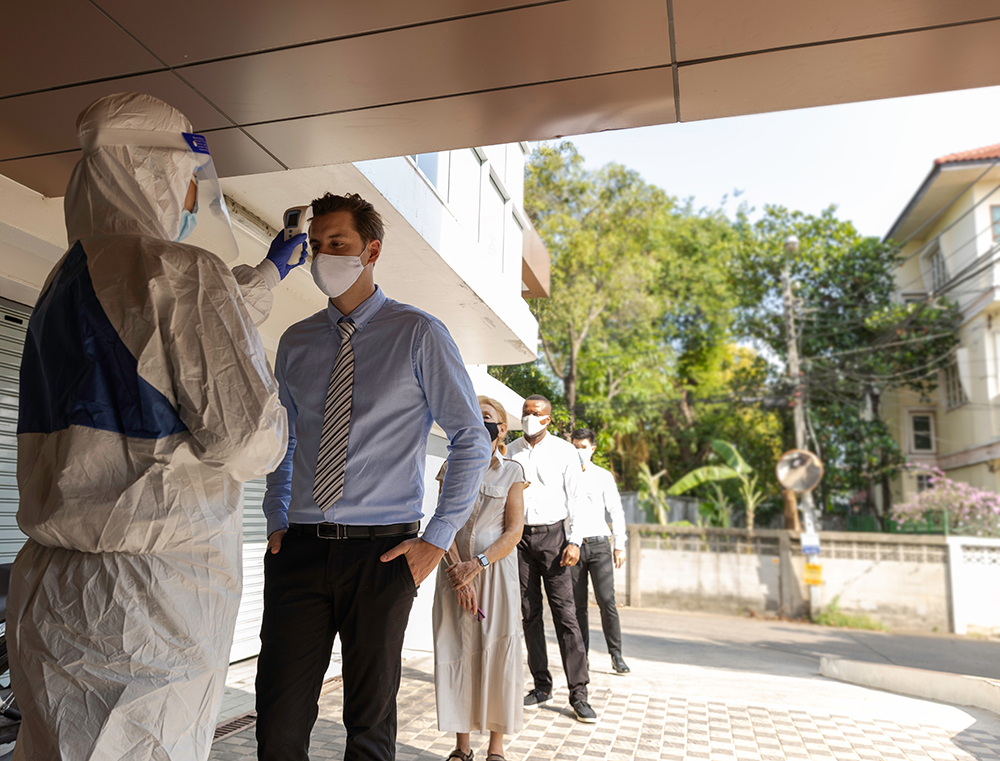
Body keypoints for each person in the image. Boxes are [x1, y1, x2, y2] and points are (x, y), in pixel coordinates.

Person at [9, 92, 302, 761]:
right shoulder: (181, 271)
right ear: (153, 173)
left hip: (54, 595)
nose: (188, 199)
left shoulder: (65, 282)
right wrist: (280, 404)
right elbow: (248, 437)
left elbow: (176, 330)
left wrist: (269, 274)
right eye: (181, 181)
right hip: (145, 605)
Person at [255, 192, 492, 761]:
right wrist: (276, 519)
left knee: (369, 725)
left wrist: (436, 541)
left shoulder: (419, 333)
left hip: (384, 554)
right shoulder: (296, 340)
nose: (322, 256)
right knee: (279, 721)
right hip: (301, 550)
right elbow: (283, 441)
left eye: (337, 243)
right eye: (315, 246)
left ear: (371, 250)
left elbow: (471, 439)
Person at [433, 395, 526, 761]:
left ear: (501, 428)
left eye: (487, 417)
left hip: (496, 575)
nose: (480, 421)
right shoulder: (450, 466)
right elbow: (444, 521)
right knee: (457, 651)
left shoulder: (512, 471)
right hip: (453, 572)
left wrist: (478, 565)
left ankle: (496, 748)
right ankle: (461, 747)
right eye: (475, 415)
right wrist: (459, 574)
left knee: (497, 652)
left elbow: (514, 531)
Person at [507, 395, 596, 723]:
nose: (531, 417)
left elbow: (577, 498)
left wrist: (574, 540)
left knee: (565, 616)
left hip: (556, 539)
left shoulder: (564, 451)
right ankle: (541, 684)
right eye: (526, 413)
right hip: (520, 540)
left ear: (549, 418)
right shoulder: (511, 449)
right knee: (529, 614)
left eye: (537, 413)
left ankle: (579, 693)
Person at [569, 428, 630, 675]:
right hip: (572, 546)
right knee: (577, 605)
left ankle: (616, 655)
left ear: (592, 448)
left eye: (583, 446)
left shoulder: (603, 476)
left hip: (599, 545)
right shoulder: (566, 475)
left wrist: (619, 545)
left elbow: (616, 510)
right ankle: (582, 658)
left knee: (607, 600)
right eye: (575, 446)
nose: (578, 451)